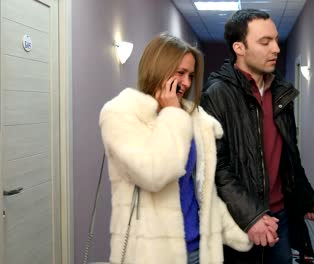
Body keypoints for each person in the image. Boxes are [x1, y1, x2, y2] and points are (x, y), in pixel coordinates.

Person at [99, 33, 252, 264]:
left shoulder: (195, 117)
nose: (187, 83)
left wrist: (239, 229)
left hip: (199, 248)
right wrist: (171, 114)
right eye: (180, 73)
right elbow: (154, 175)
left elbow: (200, 190)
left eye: (190, 75)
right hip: (151, 254)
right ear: (158, 68)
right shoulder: (122, 113)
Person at [200, 9, 314, 264]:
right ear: (239, 48)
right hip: (238, 221)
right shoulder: (216, 94)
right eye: (265, 42)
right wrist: (251, 217)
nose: (276, 48)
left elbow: (290, 153)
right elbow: (217, 167)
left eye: (276, 40)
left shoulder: (281, 91)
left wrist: (306, 196)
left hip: (281, 217)